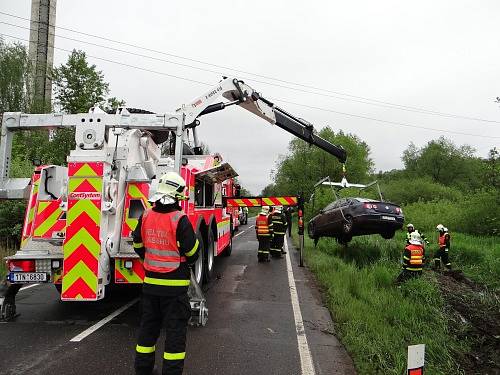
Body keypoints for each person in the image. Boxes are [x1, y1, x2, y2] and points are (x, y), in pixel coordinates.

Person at [133, 171, 199, 375]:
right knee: (175, 336)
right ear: (177, 196)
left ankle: (143, 370)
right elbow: (192, 253)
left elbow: (137, 244)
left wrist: (149, 259)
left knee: (147, 330)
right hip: (175, 291)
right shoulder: (180, 219)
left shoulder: (145, 215)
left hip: (150, 287)